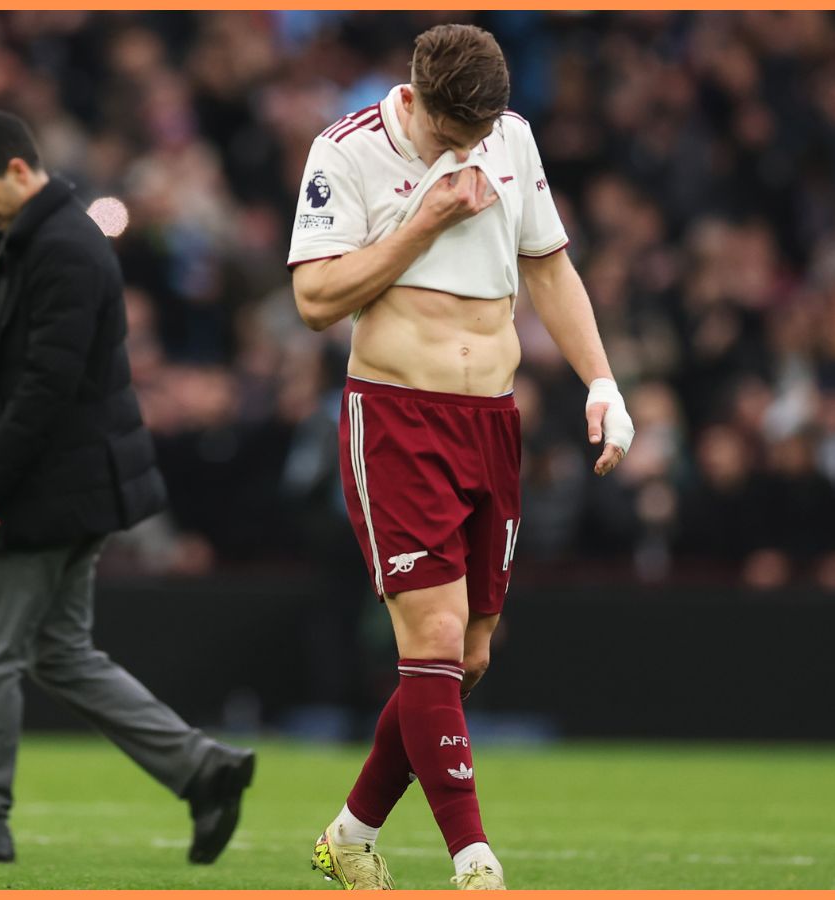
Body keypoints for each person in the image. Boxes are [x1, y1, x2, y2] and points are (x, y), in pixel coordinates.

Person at [287, 25, 634, 890]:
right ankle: (473, 861)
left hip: (492, 422)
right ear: (419, 97)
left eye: (486, 128)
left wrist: (601, 382)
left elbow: (548, 267)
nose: (476, 145)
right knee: (434, 638)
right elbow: (314, 299)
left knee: (469, 656)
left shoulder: (509, 133)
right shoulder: (348, 152)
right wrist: (424, 216)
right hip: (398, 419)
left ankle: (350, 832)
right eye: (459, 131)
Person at [0, 107, 254, 866]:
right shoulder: (37, 240)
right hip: (67, 484)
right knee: (60, 654)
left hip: (44, 489)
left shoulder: (61, 250)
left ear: (20, 171)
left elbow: (44, 388)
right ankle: (200, 767)